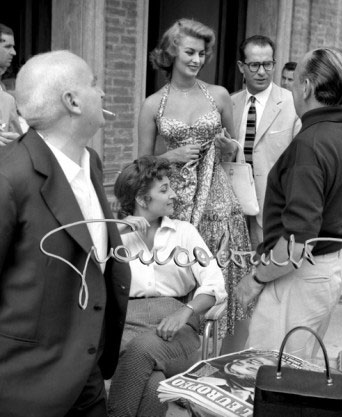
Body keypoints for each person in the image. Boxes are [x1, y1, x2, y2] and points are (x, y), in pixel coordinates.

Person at [0, 50, 131, 417]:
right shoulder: (10, 178)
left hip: (85, 374)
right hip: (25, 389)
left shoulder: (90, 162)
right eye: (94, 84)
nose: (102, 93)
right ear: (72, 101)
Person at [235, 47, 342, 360]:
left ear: (308, 87)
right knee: (295, 372)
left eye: (295, 83)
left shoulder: (310, 144)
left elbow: (297, 243)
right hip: (327, 268)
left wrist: (256, 279)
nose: (292, 90)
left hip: (299, 275)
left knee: (268, 372)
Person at [138, 18, 252, 352]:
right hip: (175, 207)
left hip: (219, 205)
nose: (197, 60)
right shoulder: (152, 104)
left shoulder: (218, 96)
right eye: (190, 52)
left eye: (202, 53)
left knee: (228, 282)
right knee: (181, 283)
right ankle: (180, 357)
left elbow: (235, 153)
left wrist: (229, 148)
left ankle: (224, 364)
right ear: (172, 52)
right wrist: (169, 154)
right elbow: (141, 166)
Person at [107, 156, 227, 417]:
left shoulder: (185, 233)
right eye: (164, 190)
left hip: (177, 333)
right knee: (152, 385)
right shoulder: (114, 237)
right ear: (141, 198)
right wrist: (113, 232)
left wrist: (186, 311)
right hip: (125, 327)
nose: (174, 195)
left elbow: (215, 283)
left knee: (141, 349)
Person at [232, 35, 301, 249]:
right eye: (254, 65)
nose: (262, 72)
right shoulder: (230, 103)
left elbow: (300, 161)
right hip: (234, 205)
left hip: (273, 209)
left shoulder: (292, 103)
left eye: (268, 64)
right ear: (241, 66)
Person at [0, 23, 22, 145]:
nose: (13, 52)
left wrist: (17, 142)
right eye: (7, 46)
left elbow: (18, 143)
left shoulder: (7, 100)